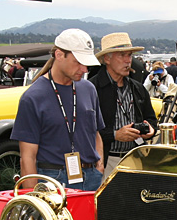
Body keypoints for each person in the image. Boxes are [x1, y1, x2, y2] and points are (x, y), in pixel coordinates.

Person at [12, 29, 106, 191]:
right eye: (78, 62)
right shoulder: (33, 97)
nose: (84, 69)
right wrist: (34, 198)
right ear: (59, 55)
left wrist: (99, 165)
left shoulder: (88, 89)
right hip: (52, 179)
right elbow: (27, 157)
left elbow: (95, 132)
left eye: (86, 63)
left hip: (91, 176)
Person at [92, 32, 157, 176]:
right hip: (105, 162)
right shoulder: (92, 88)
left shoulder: (138, 88)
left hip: (135, 159)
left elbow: (151, 119)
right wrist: (115, 135)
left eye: (129, 55)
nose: (128, 61)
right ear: (107, 59)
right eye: (122, 55)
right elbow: (85, 130)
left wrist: (150, 131)